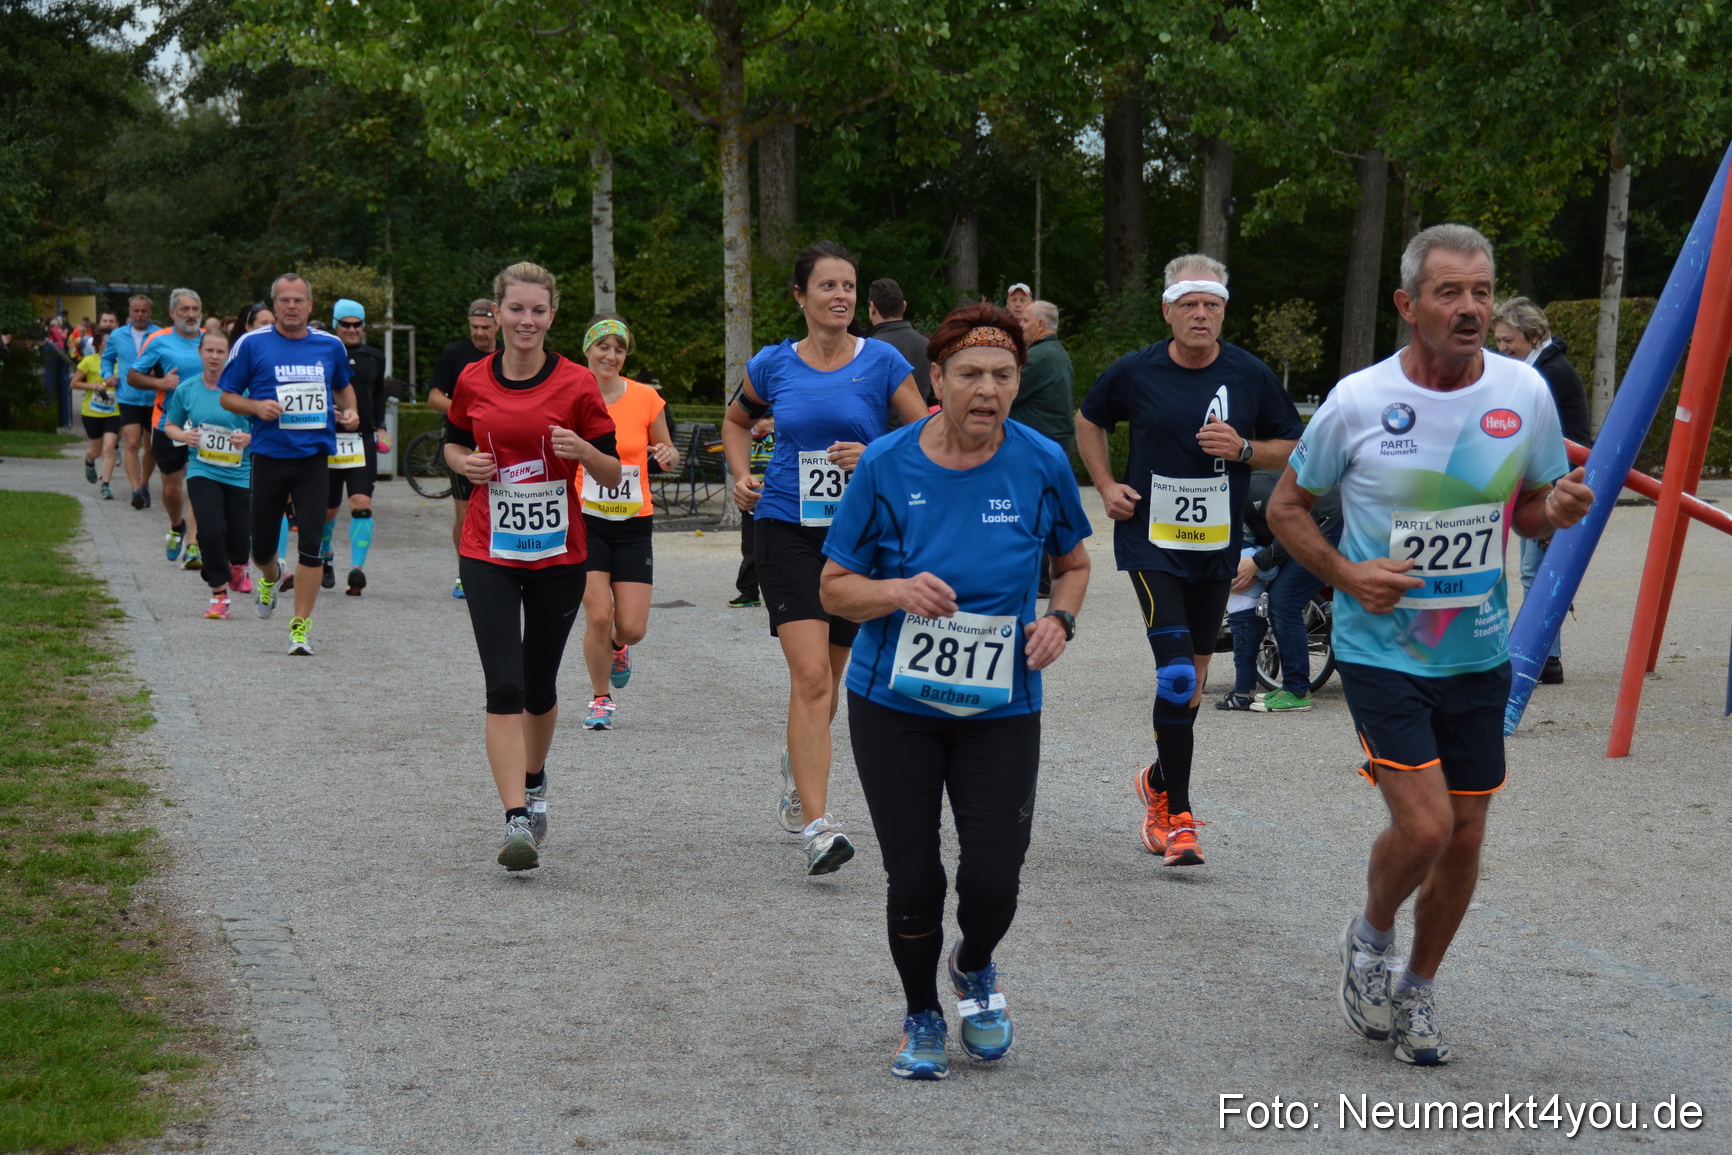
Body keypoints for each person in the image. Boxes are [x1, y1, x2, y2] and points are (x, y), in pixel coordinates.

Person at [1266, 224, 1594, 1067]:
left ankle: (1418, 985)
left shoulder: (1524, 392)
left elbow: (1530, 507)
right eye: (1450, 292)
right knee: (1424, 826)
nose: (1471, 307)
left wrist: (1553, 512)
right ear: (1409, 305)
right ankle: (1371, 939)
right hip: (1382, 649)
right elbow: (1285, 507)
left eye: (1482, 291)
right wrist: (1347, 575)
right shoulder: (1358, 400)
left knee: (1468, 834)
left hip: (1478, 651)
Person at [819, 302, 1092, 1079]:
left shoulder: (1041, 461)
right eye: (970, 373)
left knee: (993, 876)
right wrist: (896, 591)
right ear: (935, 380)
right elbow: (834, 586)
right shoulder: (885, 463)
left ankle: (973, 964)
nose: (987, 389)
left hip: (1001, 705)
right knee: (915, 877)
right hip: (894, 704)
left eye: (1003, 374)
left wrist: (1060, 620)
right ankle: (921, 1012)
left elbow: (1074, 562)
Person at [1075, 253, 1303, 867]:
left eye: (1211, 305)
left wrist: (1246, 448)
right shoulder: (1136, 371)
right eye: (1189, 304)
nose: (1200, 314)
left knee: (1194, 683)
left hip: (1216, 545)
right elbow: (1089, 419)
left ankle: (1157, 778)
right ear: (1168, 311)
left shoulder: (1249, 374)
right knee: (1176, 675)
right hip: (1151, 540)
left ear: (1224, 311)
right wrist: (1106, 484)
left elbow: (1294, 446)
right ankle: (1176, 817)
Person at [721, 240, 929, 876]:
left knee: (829, 683)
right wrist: (741, 476)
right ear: (800, 296)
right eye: (827, 286)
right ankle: (818, 825)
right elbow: (736, 422)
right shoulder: (773, 364)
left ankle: (796, 767)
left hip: (856, 537)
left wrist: (875, 455)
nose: (840, 296)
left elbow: (927, 433)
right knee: (811, 676)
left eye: (848, 286)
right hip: (786, 528)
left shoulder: (883, 360)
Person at [442, 262, 619, 872]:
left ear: (552, 315)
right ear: (497, 313)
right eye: (516, 309)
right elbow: (452, 439)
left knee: (539, 687)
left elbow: (612, 473)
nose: (526, 320)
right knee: (505, 686)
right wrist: (463, 464)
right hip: (487, 551)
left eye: (537, 310)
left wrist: (584, 449)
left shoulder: (576, 383)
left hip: (558, 555)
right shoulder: (472, 378)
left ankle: (535, 779)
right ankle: (515, 817)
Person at [219, 273, 360, 655]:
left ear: (310, 306)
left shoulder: (329, 345)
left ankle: (300, 627)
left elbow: (343, 386)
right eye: (284, 300)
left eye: (298, 300)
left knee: (312, 545)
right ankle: (271, 576)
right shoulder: (252, 343)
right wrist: (255, 407)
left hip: (313, 459)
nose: (291, 306)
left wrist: (351, 412)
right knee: (261, 550)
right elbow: (227, 396)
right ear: (274, 305)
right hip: (269, 457)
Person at [576, 314, 679, 730]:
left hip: (634, 521)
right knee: (599, 615)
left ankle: (619, 646)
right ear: (587, 350)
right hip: (586, 518)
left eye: (619, 349)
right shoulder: (571, 395)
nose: (611, 355)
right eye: (603, 347)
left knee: (632, 628)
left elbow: (667, 450)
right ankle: (600, 699)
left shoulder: (646, 397)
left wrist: (667, 456)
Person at [1493, 296, 1592, 685]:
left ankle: (1545, 657)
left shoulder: (1548, 374)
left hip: (1559, 478)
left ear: (1533, 335)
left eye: (1509, 341)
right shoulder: (1540, 367)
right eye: (1499, 341)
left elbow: (1538, 432)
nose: (1503, 349)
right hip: (1553, 475)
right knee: (1536, 570)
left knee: (1537, 571)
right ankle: (1544, 654)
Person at [1215, 469, 1342, 711]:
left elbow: (1295, 530)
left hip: (1329, 522)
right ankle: (1293, 686)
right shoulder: (1233, 500)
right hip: (1315, 525)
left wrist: (1257, 564)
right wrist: (1256, 568)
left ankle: (1297, 691)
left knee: (1284, 602)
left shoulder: (1254, 489)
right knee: (1280, 600)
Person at [163, 330, 254, 619]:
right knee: (210, 530)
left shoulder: (244, 390)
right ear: (200, 353)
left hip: (240, 473)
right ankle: (219, 596)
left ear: (229, 355)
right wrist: (184, 435)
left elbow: (266, 426)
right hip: (202, 470)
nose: (214, 357)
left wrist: (248, 438)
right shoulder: (187, 389)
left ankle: (238, 566)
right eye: (209, 351)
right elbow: (170, 425)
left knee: (239, 539)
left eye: (220, 351)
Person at [429, 299, 500, 599]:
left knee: (501, 507)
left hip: (499, 442)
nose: (479, 333)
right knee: (465, 512)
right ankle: (464, 574)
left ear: (498, 325)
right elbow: (434, 397)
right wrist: (468, 413)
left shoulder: (508, 353)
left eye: (485, 327)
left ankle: (502, 569)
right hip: (463, 443)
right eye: (474, 327)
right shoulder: (455, 353)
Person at [131, 289, 207, 568]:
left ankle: (194, 545)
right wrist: (159, 383)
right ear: (173, 313)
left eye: (195, 309)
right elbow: (133, 376)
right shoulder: (159, 340)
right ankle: (177, 526)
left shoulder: (210, 340)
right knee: (172, 491)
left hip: (206, 425)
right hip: (168, 423)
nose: (191, 314)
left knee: (200, 485)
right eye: (185, 309)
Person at [323, 299, 388, 595]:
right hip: (328, 440)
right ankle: (325, 556)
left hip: (360, 439)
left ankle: (356, 570)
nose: (351, 329)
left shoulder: (374, 357)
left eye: (356, 324)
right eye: (345, 324)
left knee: (361, 502)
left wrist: (381, 427)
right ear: (335, 325)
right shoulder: (324, 352)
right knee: (328, 509)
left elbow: (378, 395)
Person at [104, 294, 163, 509]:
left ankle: (145, 483)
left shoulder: (159, 334)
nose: (139, 315)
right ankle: (136, 489)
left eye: (144, 311)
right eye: (136, 311)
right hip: (128, 396)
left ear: (150, 312)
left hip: (153, 397)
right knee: (131, 442)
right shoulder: (117, 335)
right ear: (129, 312)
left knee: (152, 446)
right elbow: (107, 358)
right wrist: (107, 375)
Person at [865, 279, 933, 408]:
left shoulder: (868, 349)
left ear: (872, 307)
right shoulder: (926, 345)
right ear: (904, 306)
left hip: (883, 421)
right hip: (920, 419)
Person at [730, 414, 774, 608]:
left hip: (772, 500)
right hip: (750, 501)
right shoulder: (745, 440)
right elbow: (732, 465)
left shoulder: (778, 438)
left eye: (773, 416)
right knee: (750, 548)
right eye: (766, 417)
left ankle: (777, 591)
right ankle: (748, 592)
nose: (772, 421)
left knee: (774, 548)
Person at [74, 331, 121, 500]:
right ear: (99, 344)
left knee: (109, 448)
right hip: (92, 412)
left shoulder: (121, 362)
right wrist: (94, 386)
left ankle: (105, 486)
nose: (111, 345)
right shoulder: (89, 361)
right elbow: (74, 383)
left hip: (114, 411)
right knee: (96, 451)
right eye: (107, 342)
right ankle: (89, 460)